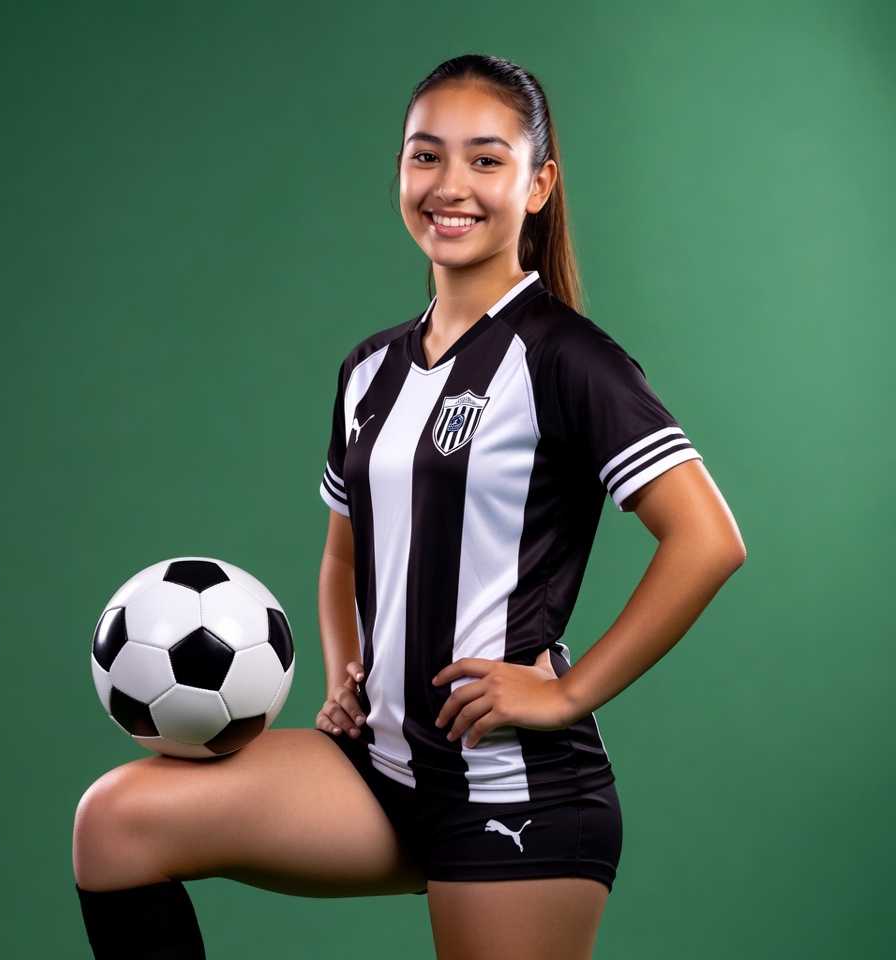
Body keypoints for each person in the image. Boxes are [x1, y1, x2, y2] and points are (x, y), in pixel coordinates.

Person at [74, 54, 745, 959]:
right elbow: (344, 554)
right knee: (117, 824)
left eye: (485, 159)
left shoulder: (567, 359)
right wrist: (344, 675)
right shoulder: (369, 371)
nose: (450, 185)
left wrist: (569, 693)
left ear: (539, 185)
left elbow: (707, 540)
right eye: (425, 157)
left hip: (514, 792)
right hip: (380, 770)